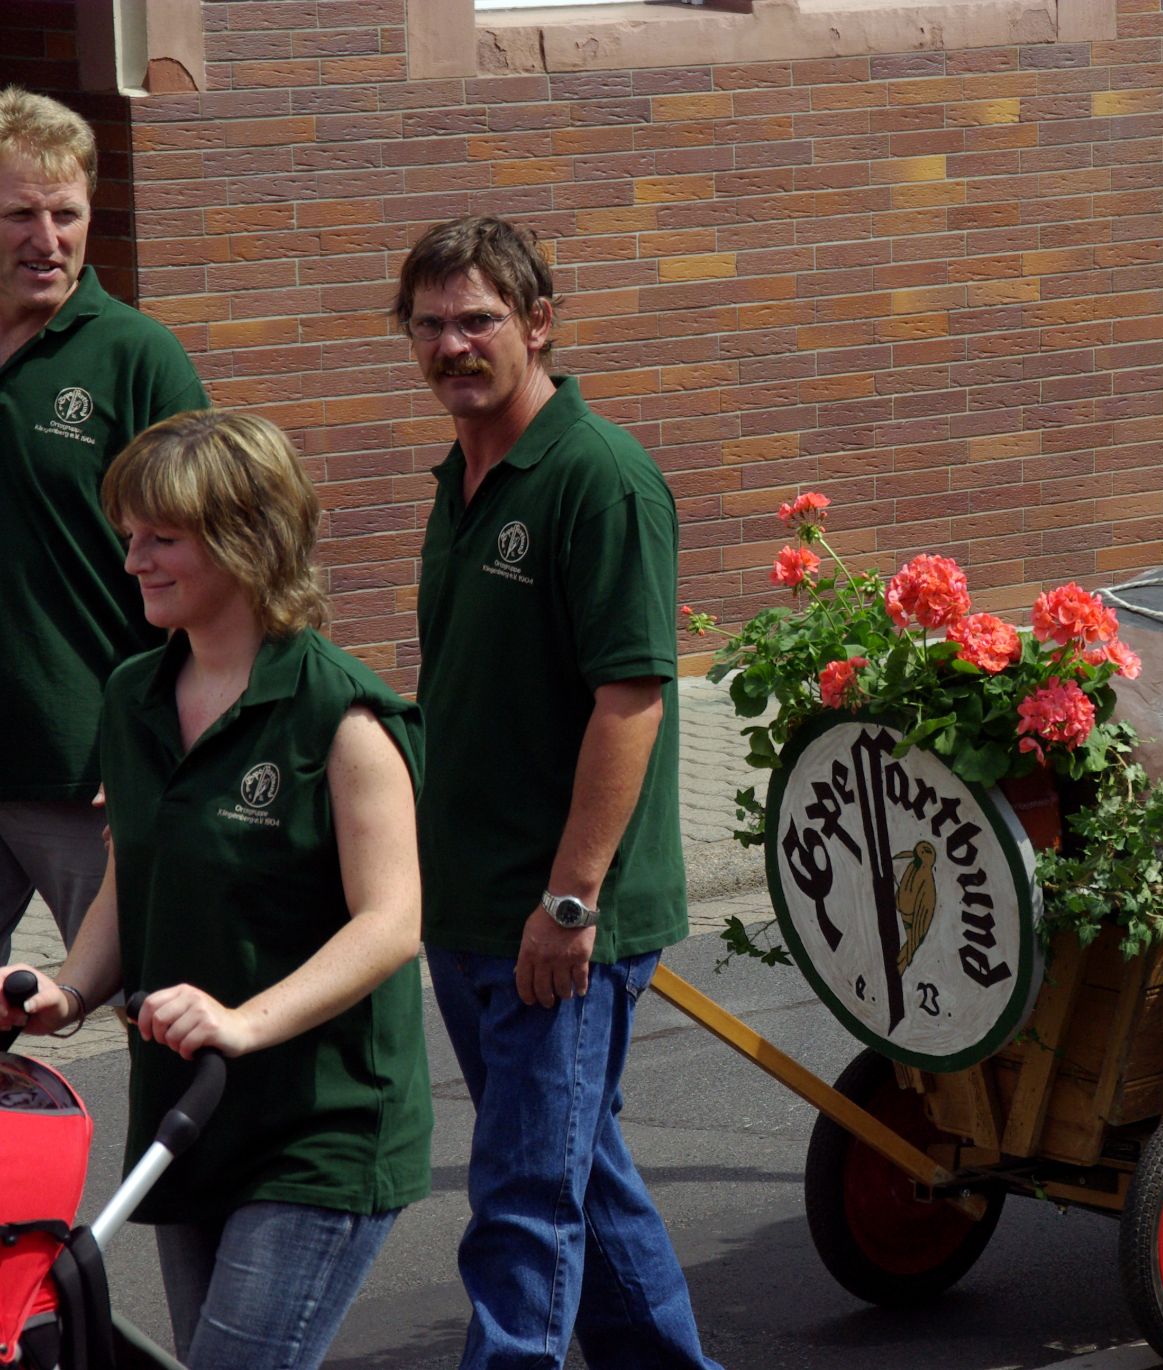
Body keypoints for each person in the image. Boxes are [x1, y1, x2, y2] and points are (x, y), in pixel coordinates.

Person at [0, 409, 431, 1368]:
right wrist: (65, 990)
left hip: (318, 1128)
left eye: (162, 538)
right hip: (187, 1120)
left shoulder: (343, 716)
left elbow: (394, 922)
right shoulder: (130, 695)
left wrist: (244, 1021)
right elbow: (133, 873)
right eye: (128, 538)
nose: (134, 562)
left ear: (247, 537)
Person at [396, 216, 719, 1370]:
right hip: (472, 907)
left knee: (524, 1208)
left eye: (478, 318)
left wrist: (570, 901)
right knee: (578, 1174)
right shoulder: (464, 472)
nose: (453, 345)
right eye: (431, 324)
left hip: (557, 920)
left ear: (539, 322)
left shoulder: (599, 478)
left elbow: (630, 700)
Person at [0, 86, 206, 966]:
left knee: (149, 1004)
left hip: (89, 775)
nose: (47, 240)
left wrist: (155, 746)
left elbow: (213, 561)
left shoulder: (136, 359)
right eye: (18, 214)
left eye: (65, 213)